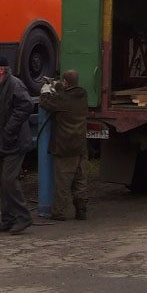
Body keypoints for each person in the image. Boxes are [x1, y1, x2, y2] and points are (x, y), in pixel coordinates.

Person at [0, 56, 35, 235]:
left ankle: (24, 216)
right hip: (4, 142)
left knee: (8, 180)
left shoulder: (15, 85)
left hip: (15, 142)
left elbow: (26, 106)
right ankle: (8, 219)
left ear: (2, 70)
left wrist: (9, 130)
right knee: (1, 181)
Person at [39, 69, 90, 221]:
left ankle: (59, 213)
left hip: (64, 145)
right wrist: (57, 85)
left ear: (66, 82)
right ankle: (81, 211)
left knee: (63, 181)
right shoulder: (83, 95)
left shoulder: (62, 100)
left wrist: (46, 90)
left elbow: (45, 103)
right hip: (80, 144)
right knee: (80, 180)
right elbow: (66, 93)